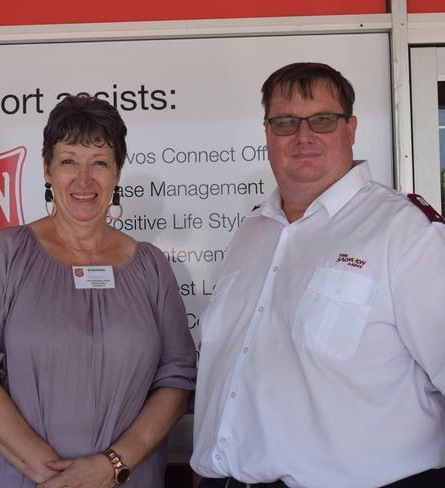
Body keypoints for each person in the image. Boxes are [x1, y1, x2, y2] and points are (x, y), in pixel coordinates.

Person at [190, 62, 445, 488]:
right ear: (267, 133)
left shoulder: (405, 233)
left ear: (351, 128)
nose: (303, 136)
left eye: (323, 120)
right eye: (286, 122)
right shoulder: (251, 233)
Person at [0, 94, 196, 488]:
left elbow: (177, 379)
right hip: (20, 479)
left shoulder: (151, 265)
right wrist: (56, 477)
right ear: (46, 170)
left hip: (124, 478)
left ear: (117, 173)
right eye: (68, 161)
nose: (83, 179)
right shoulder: (7, 253)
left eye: (99, 162)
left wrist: (109, 467)